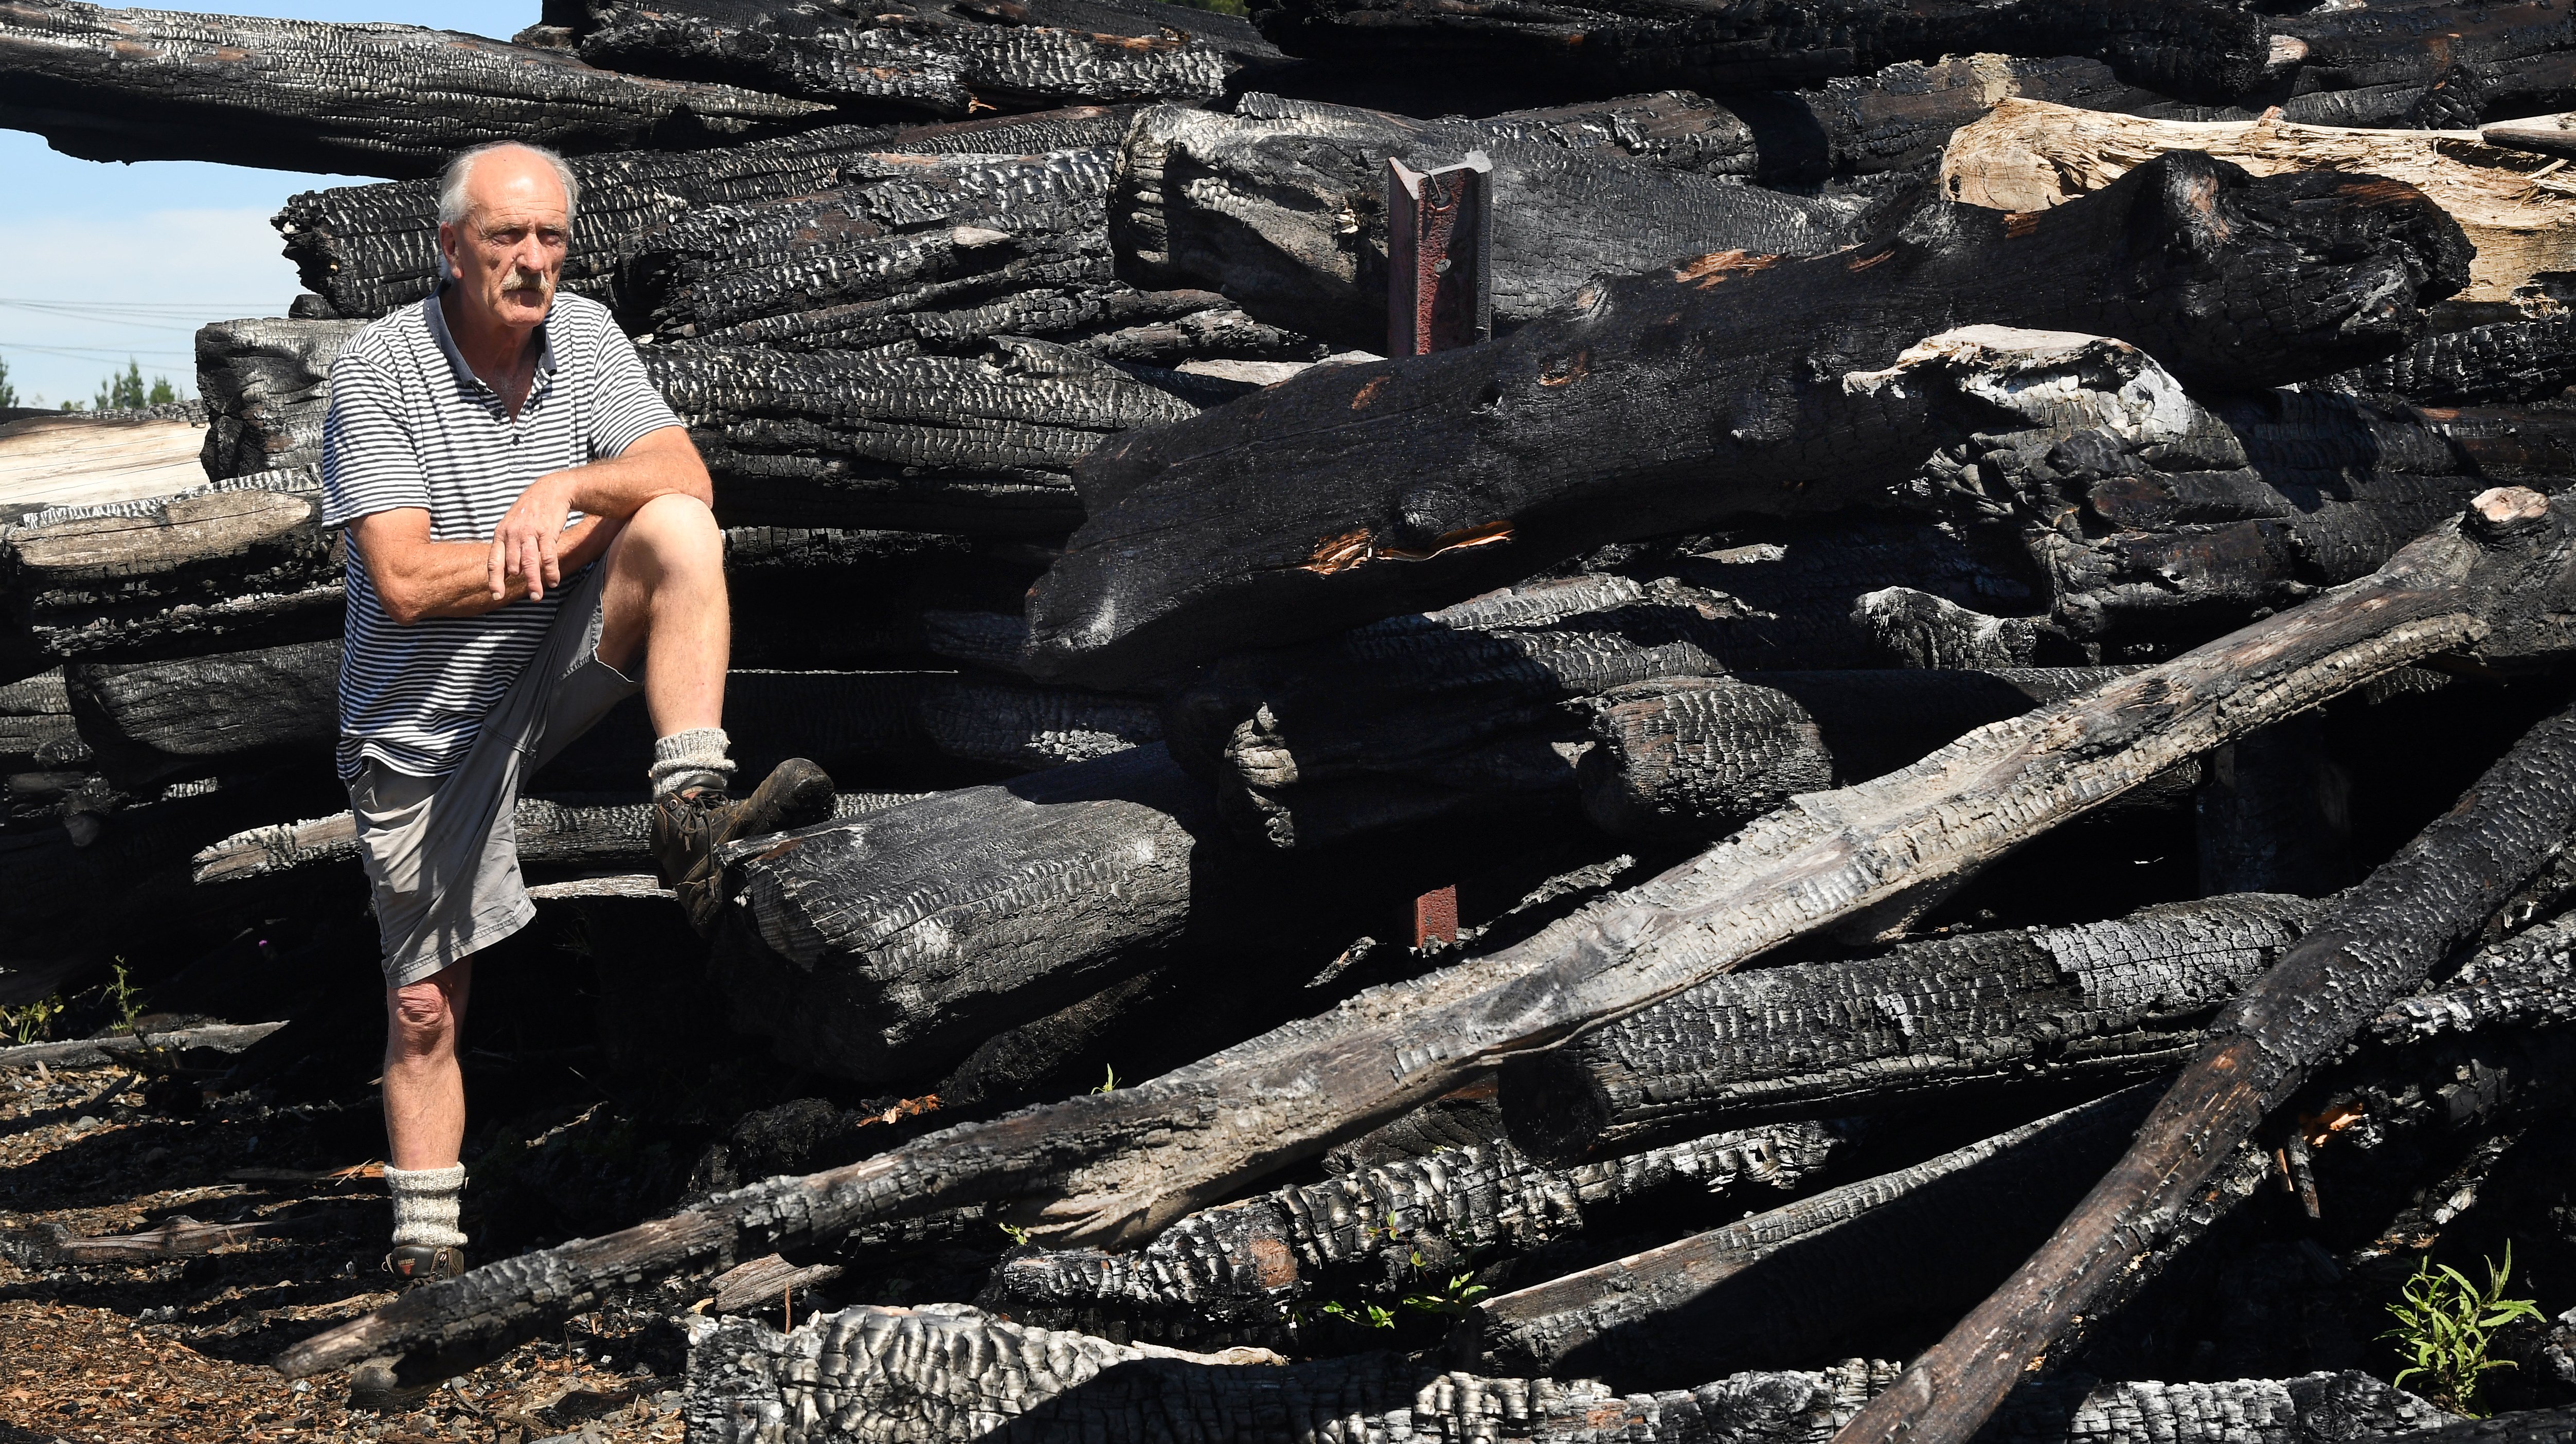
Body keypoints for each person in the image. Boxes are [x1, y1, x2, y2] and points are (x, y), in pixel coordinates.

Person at [319, 140, 833, 1287]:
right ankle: (426, 1251)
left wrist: (565, 489)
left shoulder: (587, 337)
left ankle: (692, 801)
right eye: (506, 237)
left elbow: (681, 473)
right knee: (420, 1006)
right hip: (425, 724)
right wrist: (577, 537)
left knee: (678, 531)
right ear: (448, 247)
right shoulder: (379, 373)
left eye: (550, 237)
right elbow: (405, 581)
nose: (532, 260)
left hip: (553, 663)